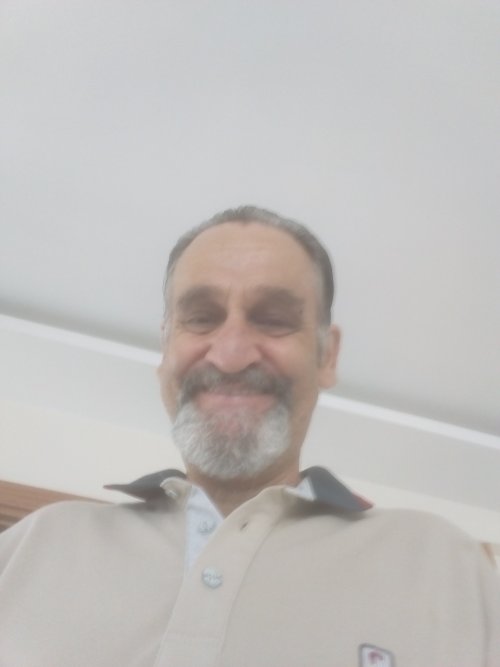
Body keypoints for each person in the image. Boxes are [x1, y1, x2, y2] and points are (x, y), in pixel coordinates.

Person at [0, 206, 499, 667]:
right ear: (165, 348)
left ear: (327, 356)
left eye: (275, 320)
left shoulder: (448, 571)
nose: (231, 354)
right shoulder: (33, 546)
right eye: (200, 318)